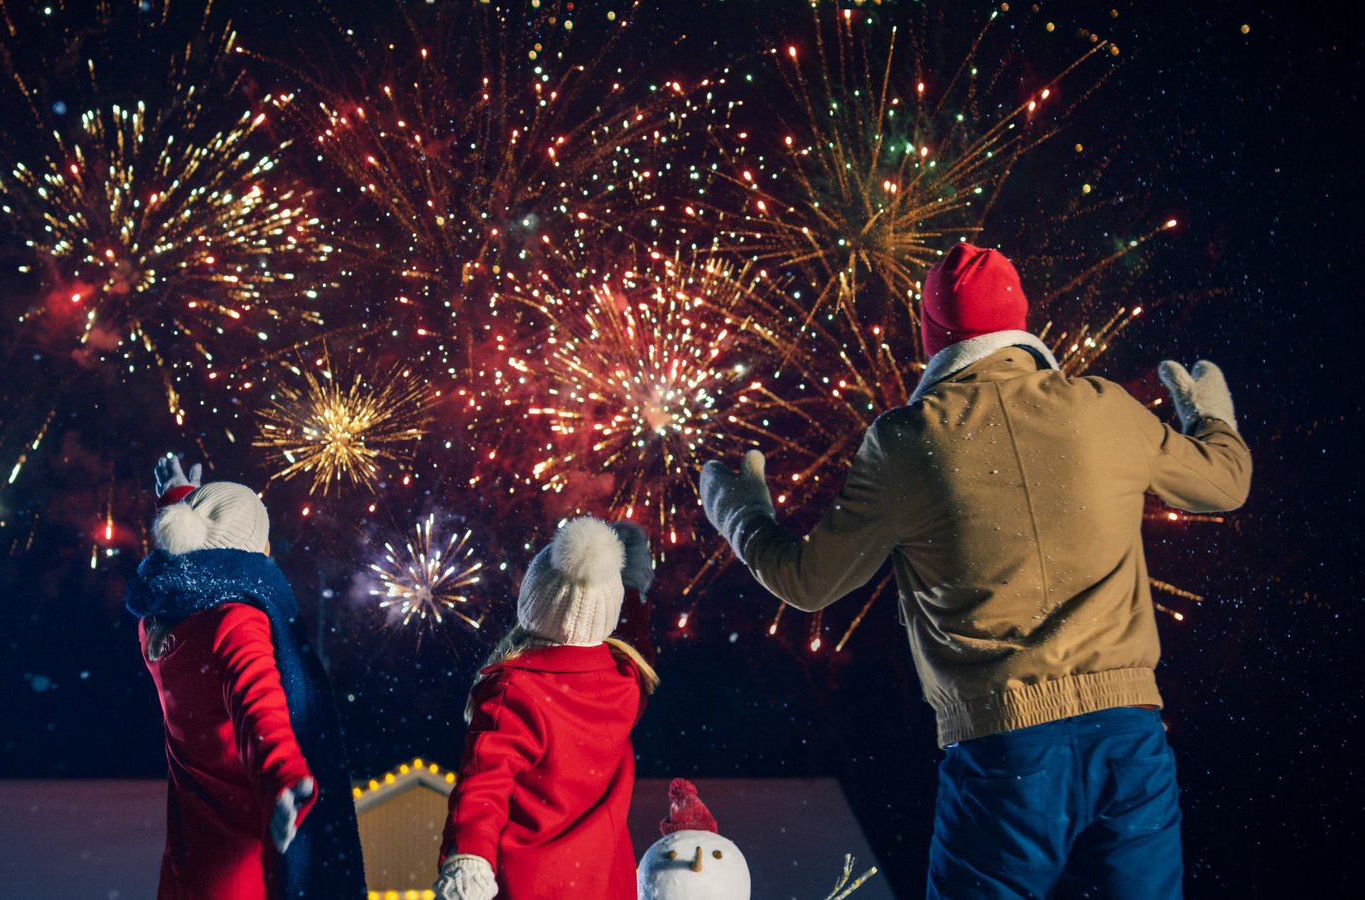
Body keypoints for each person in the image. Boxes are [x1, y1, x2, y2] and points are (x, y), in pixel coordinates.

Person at [700, 243, 1252, 899]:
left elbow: (807, 582)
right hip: (1130, 747)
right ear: (1022, 322)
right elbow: (1227, 483)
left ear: (933, 339)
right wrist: (1209, 417)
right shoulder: (1104, 408)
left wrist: (741, 515)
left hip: (1004, 755)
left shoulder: (906, 441)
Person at [126, 455, 367, 899]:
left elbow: (189, 558)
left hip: (188, 864)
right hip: (243, 871)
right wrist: (284, 775)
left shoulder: (160, 622)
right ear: (250, 553)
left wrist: (180, 500)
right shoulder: (234, 619)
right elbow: (259, 705)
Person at [434, 517, 659, 900]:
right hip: (605, 887)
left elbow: (483, 787)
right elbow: (635, 638)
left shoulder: (515, 692)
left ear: (533, 601)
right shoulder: (625, 683)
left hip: (530, 885)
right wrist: (633, 581)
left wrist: (469, 860)